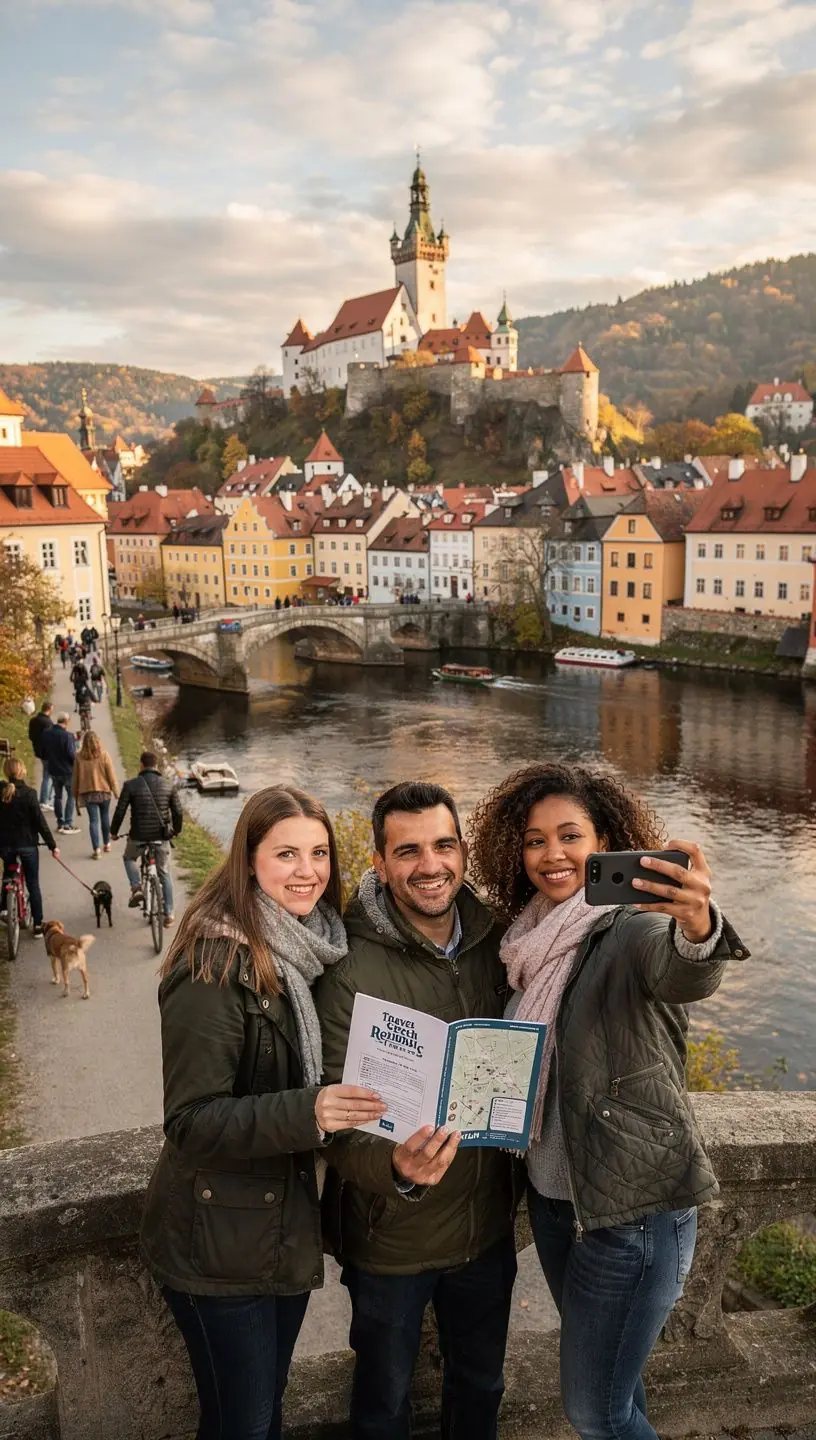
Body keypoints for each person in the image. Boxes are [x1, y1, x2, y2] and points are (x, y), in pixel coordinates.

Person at [467, 762, 748, 1440]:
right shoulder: (526, 940)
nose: (552, 855)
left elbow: (678, 971)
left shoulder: (628, 928)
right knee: (616, 1390)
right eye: (535, 841)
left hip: (632, 1215)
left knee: (594, 1412)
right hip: (558, 1205)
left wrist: (697, 925)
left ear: (606, 844)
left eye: (570, 836)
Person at [139, 785, 385, 1440]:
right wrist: (313, 1110)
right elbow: (191, 1121)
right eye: (286, 854)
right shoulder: (214, 962)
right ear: (248, 860)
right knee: (244, 1425)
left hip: (277, 1231)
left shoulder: (311, 945)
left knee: (262, 1413)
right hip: (218, 1244)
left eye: (319, 853)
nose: (308, 871)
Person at [316, 781, 520, 1440]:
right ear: (379, 863)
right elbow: (333, 1121)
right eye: (408, 851)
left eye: (443, 845)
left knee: (481, 1388)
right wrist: (396, 1168)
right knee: (383, 1404)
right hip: (391, 1240)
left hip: (485, 1228)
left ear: (463, 852)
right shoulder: (347, 967)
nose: (430, 865)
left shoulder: (502, 940)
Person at [110, 750, 183, 923]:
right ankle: (169, 914)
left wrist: (114, 832)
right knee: (164, 872)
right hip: (161, 837)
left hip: (138, 835)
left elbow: (120, 811)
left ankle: (136, 887)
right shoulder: (168, 785)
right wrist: (175, 831)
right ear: (156, 766)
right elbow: (178, 812)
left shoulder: (130, 785)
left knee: (129, 858)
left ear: (141, 765)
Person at [0, 757, 59, 937]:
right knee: (33, 883)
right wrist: (52, 845)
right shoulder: (29, 793)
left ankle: (4, 909)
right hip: (27, 845)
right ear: (22, 771)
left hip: (5, 846)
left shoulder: (2, 792)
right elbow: (40, 822)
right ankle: (38, 925)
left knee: (8, 875)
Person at [73, 731, 119, 859]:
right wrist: (116, 791)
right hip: (104, 792)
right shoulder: (104, 755)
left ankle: (96, 849)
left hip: (89, 794)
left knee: (93, 821)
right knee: (105, 817)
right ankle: (107, 844)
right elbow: (111, 775)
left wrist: (74, 793)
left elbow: (75, 777)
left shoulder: (79, 757)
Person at [39, 713, 79, 835]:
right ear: (66, 721)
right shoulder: (68, 736)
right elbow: (71, 755)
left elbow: (43, 750)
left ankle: (60, 822)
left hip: (54, 769)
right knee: (71, 796)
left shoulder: (46, 733)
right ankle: (68, 823)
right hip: (67, 771)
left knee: (58, 796)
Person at [28, 700, 54, 810]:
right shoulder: (47, 722)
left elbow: (30, 736)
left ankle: (46, 799)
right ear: (49, 709)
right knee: (48, 776)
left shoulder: (33, 720)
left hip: (38, 750)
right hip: (47, 752)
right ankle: (44, 800)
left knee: (47, 774)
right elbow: (50, 738)